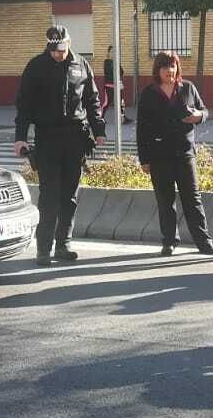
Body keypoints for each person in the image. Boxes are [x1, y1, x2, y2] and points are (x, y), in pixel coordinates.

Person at [15, 25, 105, 266]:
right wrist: (20, 136)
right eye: (53, 49)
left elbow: (92, 100)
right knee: (49, 196)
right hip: (47, 138)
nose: (58, 53)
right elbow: (23, 105)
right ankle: (43, 248)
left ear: (69, 42)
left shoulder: (82, 65)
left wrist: (99, 131)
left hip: (75, 137)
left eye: (62, 48)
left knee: (70, 196)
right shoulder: (36, 66)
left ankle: (63, 245)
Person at [137, 51, 213, 257]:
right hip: (159, 155)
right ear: (158, 70)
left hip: (184, 153)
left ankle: (204, 242)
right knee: (165, 200)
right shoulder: (149, 93)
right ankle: (169, 241)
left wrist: (198, 117)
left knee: (192, 198)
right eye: (165, 67)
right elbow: (142, 128)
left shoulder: (188, 88)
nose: (169, 71)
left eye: (173, 66)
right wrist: (144, 159)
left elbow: (205, 111)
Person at [102, 46, 130, 124]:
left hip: (118, 85)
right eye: (112, 52)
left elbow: (121, 72)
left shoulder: (116, 62)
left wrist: (117, 64)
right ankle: (100, 118)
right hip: (109, 86)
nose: (113, 54)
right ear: (108, 53)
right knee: (107, 103)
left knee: (121, 102)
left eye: (114, 52)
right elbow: (109, 74)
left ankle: (122, 118)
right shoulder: (107, 62)